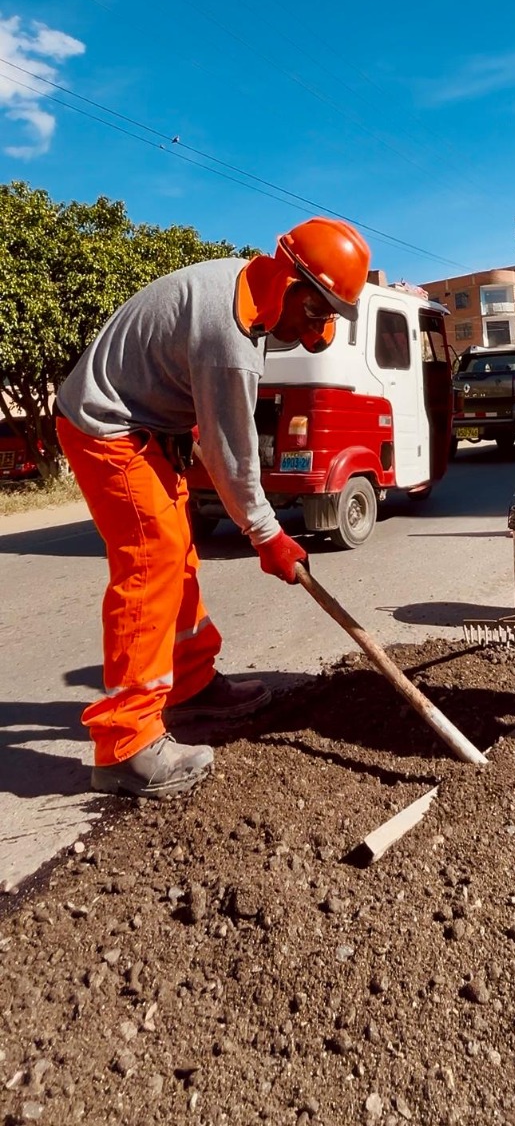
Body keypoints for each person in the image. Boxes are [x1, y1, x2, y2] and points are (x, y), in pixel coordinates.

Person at [56, 217, 371, 800]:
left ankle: (189, 686)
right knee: (152, 562)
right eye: (316, 315)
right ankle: (124, 745)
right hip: (107, 427)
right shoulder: (231, 340)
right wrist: (266, 535)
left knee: (177, 556)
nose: (310, 332)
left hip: (148, 428)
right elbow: (232, 457)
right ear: (294, 284)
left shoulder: (242, 286)